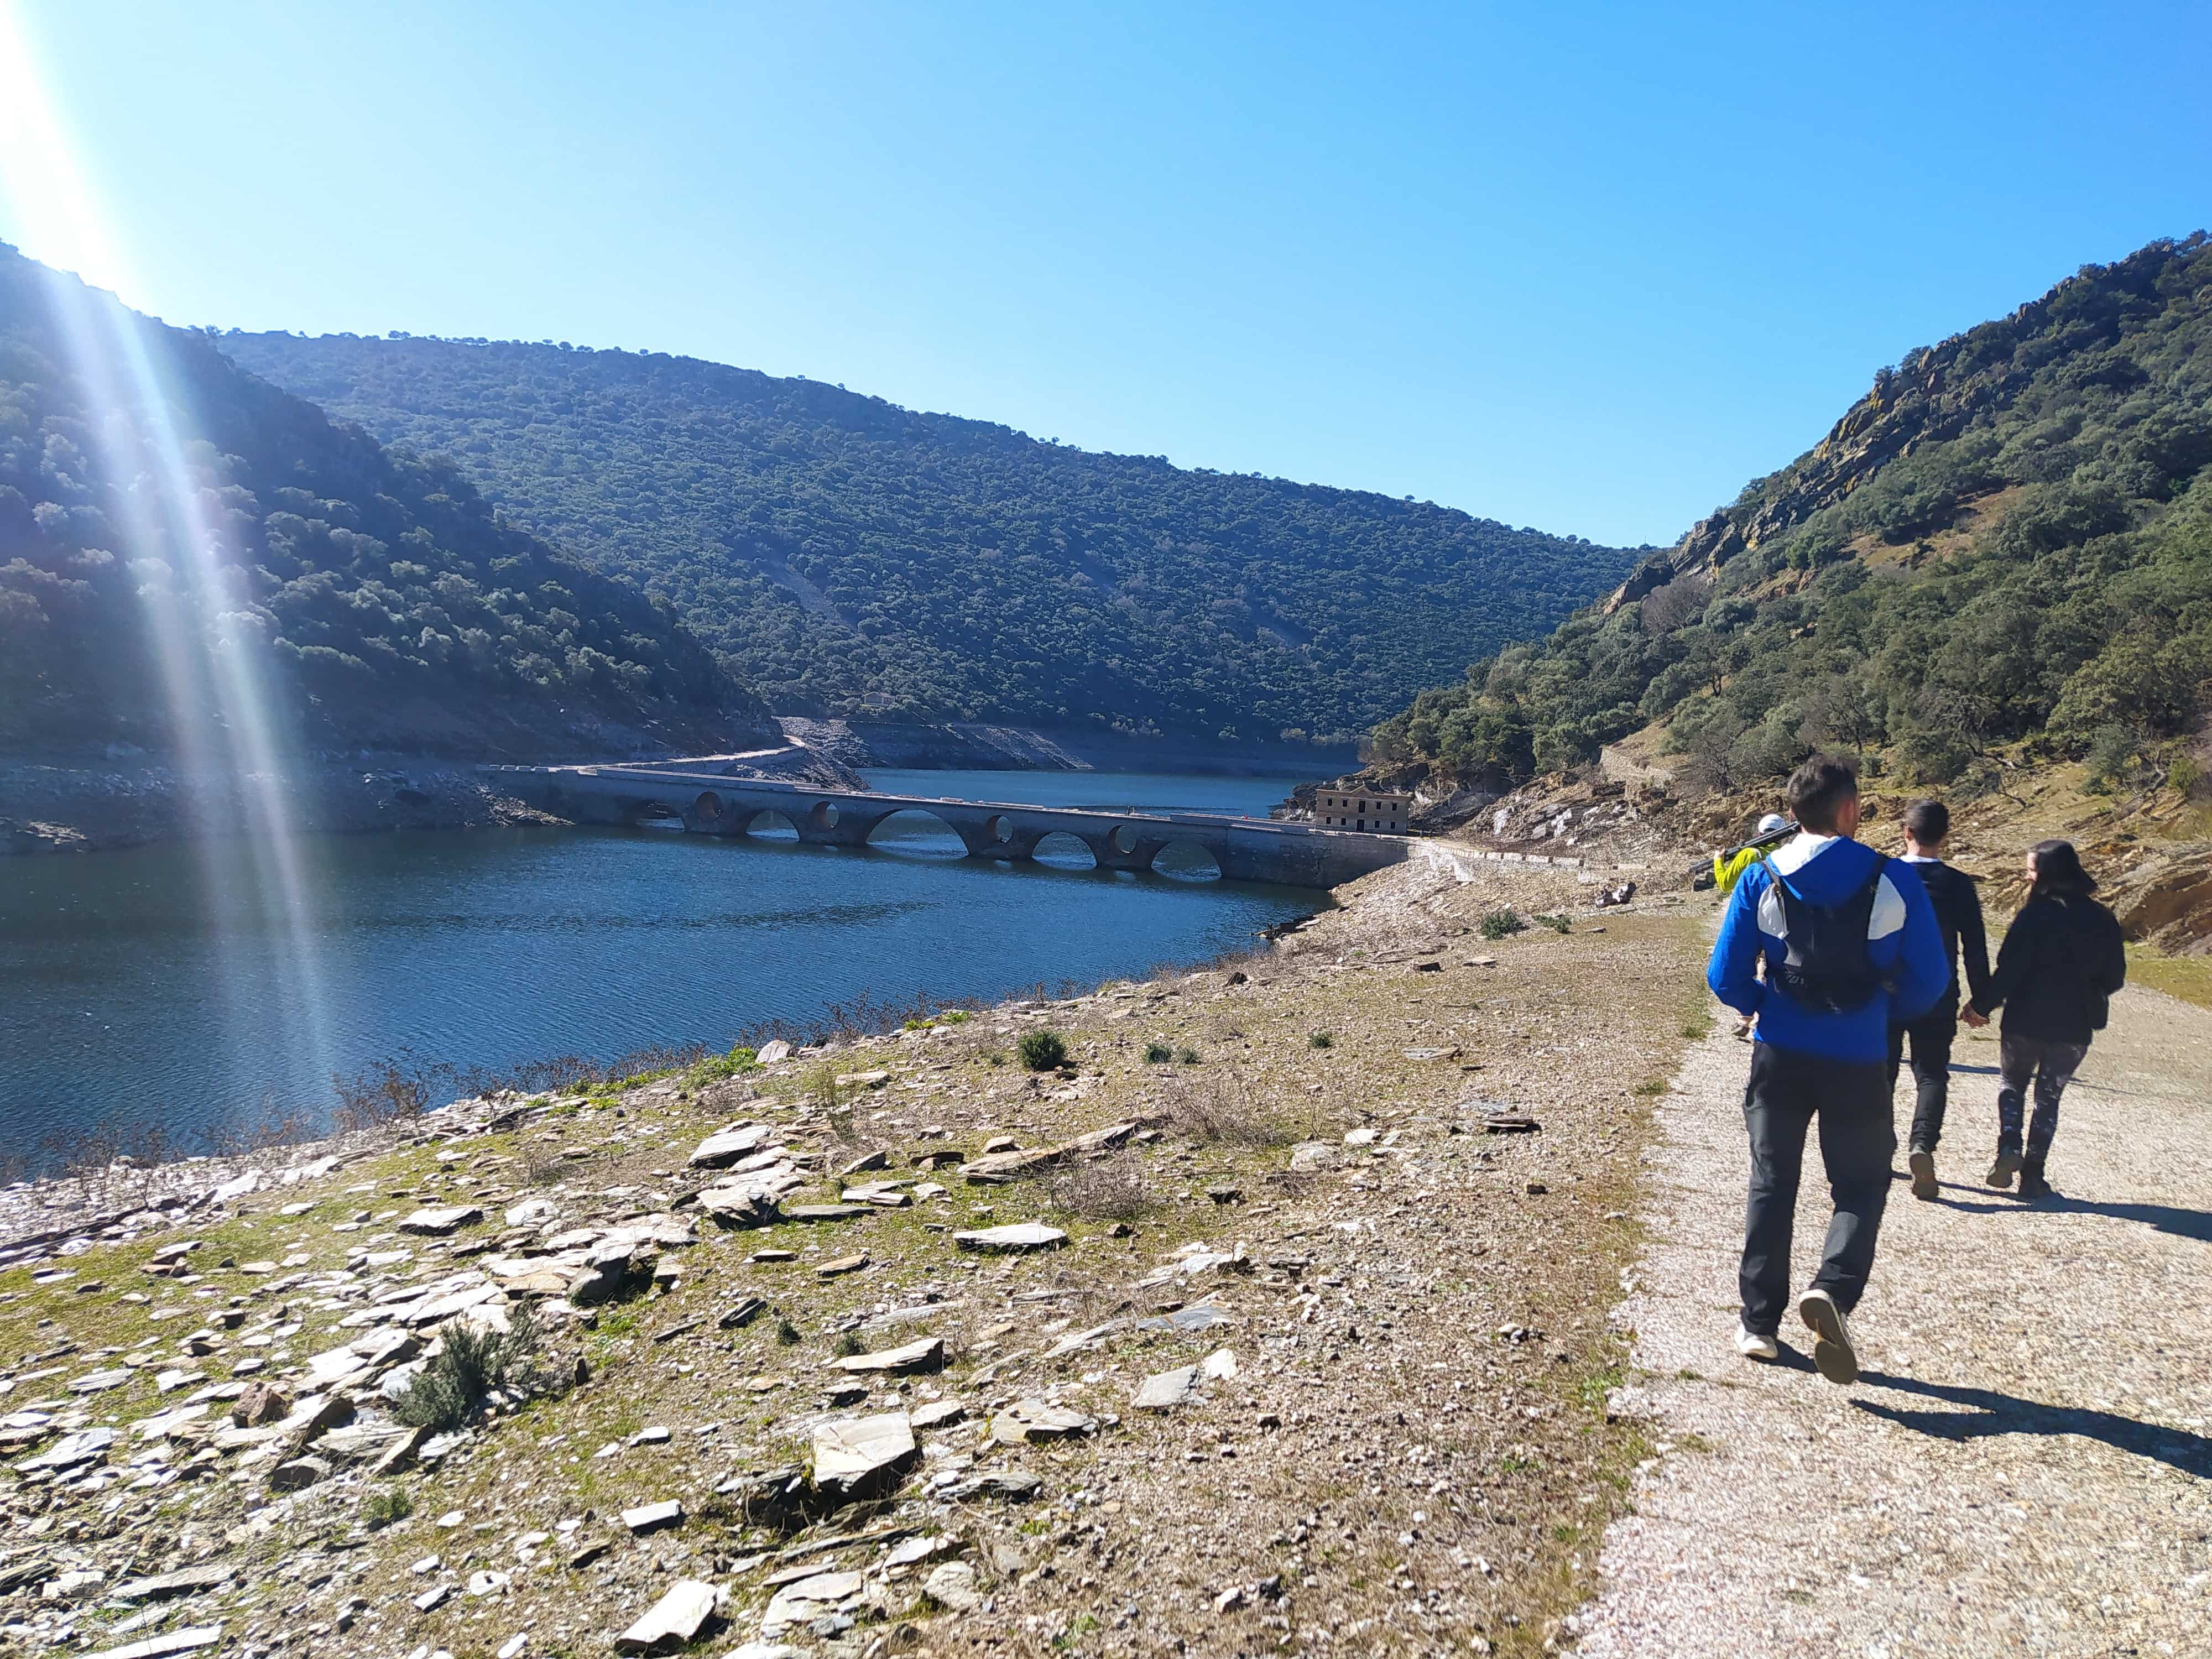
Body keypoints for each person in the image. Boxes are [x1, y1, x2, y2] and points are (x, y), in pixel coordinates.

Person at [1707, 758, 1947, 1384]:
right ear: (1850, 811)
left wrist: (1764, 1007)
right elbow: (1930, 982)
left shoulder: (1760, 877)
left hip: (1780, 1054)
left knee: (1771, 1182)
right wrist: (1878, 1013)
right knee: (1862, 1185)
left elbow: (1724, 976)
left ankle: (1758, 1325)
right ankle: (1832, 1292)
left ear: (1792, 816)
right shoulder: (1893, 878)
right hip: (1860, 1059)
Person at [1963, 839, 2126, 1200]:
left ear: (2047, 875)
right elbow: (2115, 979)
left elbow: (2008, 971)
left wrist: (1981, 1007)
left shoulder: (2033, 916)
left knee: (2012, 1086)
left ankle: (2009, 1147)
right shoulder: (2103, 920)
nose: (2027, 875)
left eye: (2032, 869)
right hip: (2073, 1027)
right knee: (2048, 1099)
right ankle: (2033, 1178)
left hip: (2024, 1020)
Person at [1888, 800, 1991, 1201]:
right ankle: (1922, 1146)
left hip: (1889, 989)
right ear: (1945, 836)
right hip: (1939, 991)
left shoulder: (1886, 876)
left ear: (1906, 832)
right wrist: (1981, 1001)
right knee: (1931, 1074)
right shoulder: (1959, 885)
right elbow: (1976, 949)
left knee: (1883, 1071)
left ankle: (1881, 1150)